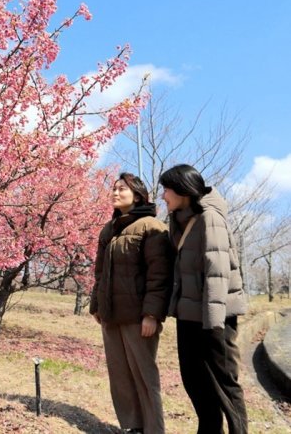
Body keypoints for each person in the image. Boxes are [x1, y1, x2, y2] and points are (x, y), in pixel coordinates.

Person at [160, 164, 248, 433]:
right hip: (189, 315)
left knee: (223, 383)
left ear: (183, 190)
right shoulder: (182, 220)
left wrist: (213, 323)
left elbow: (217, 272)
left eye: (167, 190)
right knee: (194, 380)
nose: (163, 196)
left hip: (213, 318)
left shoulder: (210, 218)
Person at [90, 172, 174, 434]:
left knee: (144, 376)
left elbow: (159, 275)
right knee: (120, 375)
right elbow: (100, 273)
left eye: (122, 189)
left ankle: (153, 429)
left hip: (139, 317)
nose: (115, 193)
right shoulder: (109, 228)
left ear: (137, 195)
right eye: (114, 189)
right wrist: (96, 306)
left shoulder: (152, 226)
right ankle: (131, 427)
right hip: (111, 314)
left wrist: (152, 314)